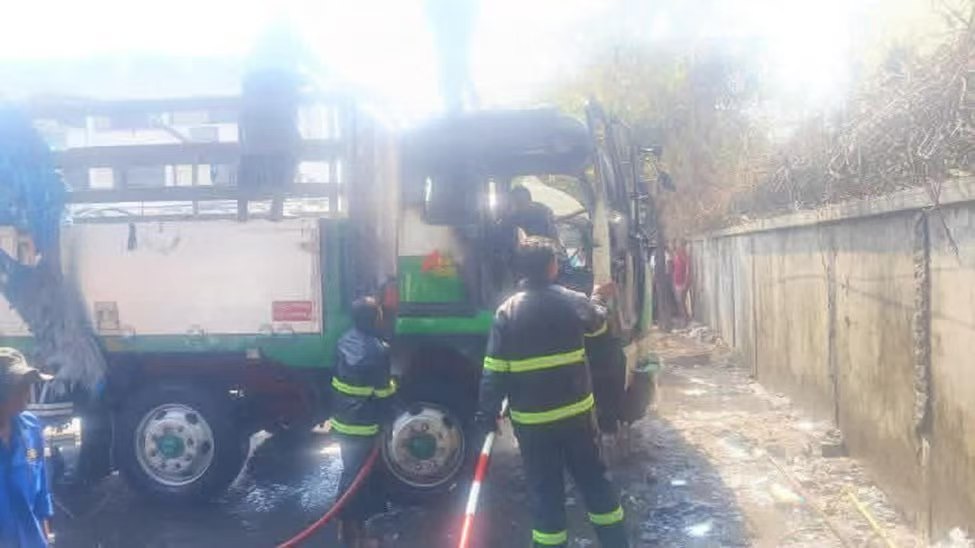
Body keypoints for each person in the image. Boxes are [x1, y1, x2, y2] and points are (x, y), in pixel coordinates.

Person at [476, 237, 629, 548]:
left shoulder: (507, 312)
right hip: (577, 419)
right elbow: (599, 324)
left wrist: (487, 413)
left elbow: (494, 371)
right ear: (552, 267)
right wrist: (598, 297)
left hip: (533, 425)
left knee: (545, 493)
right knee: (595, 484)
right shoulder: (573, 301)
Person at [330, 297, 396, 548]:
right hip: (365, 426)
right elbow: (383, 394)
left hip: (343, 422)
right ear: (374, 318)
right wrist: (390, 420)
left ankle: (349, 530)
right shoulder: (379, 350)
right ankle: (354, 536)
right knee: (358, 481)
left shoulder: (343, 341)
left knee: (351, 473)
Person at [0, 348, 54, 548]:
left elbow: (41, 497)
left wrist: (46, 540)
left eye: (28, 386)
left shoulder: (31, 427)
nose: (27, 393)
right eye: (19, 387)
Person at [671, 240, 691, 322]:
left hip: (682, 282)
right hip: (677, 281)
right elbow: (675, 268)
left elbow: (687, 270)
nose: (679, 247)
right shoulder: (676, 255)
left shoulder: (684, 257)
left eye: (680, 245)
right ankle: (684, 318)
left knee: (681, 301)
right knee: (679, 301)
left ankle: (685, 318)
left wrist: (686, 282)